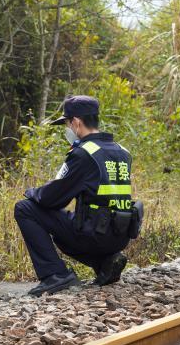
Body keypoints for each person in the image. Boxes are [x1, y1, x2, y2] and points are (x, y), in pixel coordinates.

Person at [15, 95, 135, 297]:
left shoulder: (84, 154)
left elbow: (52, 199)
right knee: (71, 223)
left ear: (77, 123)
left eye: (67, 124)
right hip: (119, 235)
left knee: (25, 208)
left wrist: (31, 192)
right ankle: (105, 263)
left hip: (97, 235)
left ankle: (56, 275)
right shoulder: (122, 151)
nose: (67, 130)